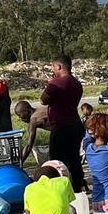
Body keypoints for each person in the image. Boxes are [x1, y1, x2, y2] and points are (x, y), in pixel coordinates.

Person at [30, 55, 86, 189]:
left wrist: (51, 83)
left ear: (59, 66)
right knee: (74, 159)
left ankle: (59, 188)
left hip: (61, 127)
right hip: (75, 125)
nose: (52, 69)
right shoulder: (76, 83)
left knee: (57, 162)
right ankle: (77, 187)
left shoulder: (56, 83)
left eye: (53, 66)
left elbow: (43, 100)